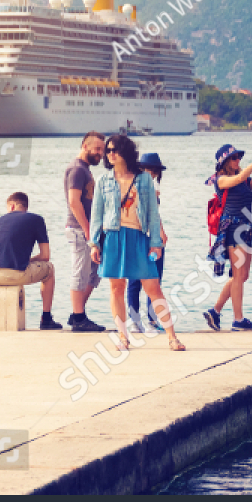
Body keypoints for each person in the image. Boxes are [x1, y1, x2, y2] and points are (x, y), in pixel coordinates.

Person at [90, 133, 184, 352]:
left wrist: (156, 242)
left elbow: (152, 213)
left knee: (153, 287)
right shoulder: (103, 181)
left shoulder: (144, 179)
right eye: (108, 150)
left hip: (138, 237)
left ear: (125, 152)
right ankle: (123, 336)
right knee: (116, 288)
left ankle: (172, 337)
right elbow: (97, 214)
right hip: (112, 237)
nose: (110, 154)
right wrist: (94, 243)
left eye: (114, 150)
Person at [203, 142, 252, 332]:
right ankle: (238, 320)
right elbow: (239, 177)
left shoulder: (245, 181)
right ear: (224, 162)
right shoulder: (220, 180)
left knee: (243, 275)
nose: (237, 160)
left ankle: (215, 311)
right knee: (238, 275)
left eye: (238, 157)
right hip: (232, 228)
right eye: (233, 158)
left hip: (246, 229)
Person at [0, 192, 60, 329]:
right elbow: (45, 256)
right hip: (13, 273)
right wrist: (28, 260)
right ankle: (46, 319)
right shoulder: (37, 219)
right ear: (25, 207)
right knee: (49, 269)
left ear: (11, 206)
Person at [64, 131, 107, 333]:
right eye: (97, 149)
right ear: (85, 146)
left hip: (89, 230)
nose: (100, 153)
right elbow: (74, 202)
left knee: (95, 272)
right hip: (79, 229)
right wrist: (88, 231)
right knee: (80, 272)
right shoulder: (77, 169)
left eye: (102, 150)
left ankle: (77, 314)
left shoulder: (85, 169)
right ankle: (79, 318)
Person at [126, 152, 168, 333]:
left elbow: (154, 215)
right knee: (135, 281)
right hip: (137, 239)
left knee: (154, 280)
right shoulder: (132, 187)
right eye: (148, 170)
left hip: (153, 240)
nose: (152, 174)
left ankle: (151, 320)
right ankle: (135, 321)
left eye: (155, 171)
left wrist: (161, 232)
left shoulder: (153, 188)